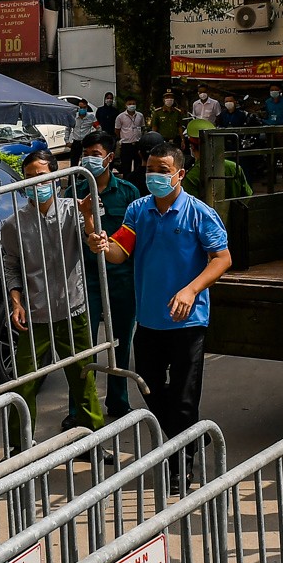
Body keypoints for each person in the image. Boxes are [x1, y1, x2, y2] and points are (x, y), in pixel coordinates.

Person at [87, 138, 232, 440]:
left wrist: (191, 290)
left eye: (162, 170)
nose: (154, 175)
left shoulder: (199, 213)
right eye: (150, 169)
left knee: (184, 396)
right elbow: (119, 252)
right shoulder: (138, 210)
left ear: (179, 174)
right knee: (149, 386)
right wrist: (100, 243)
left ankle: (183, 464)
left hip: (188, 321)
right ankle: (190, 434)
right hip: (150, 319)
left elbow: (222, 259)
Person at [1, 148, 104, 438]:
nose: (36, 183)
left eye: (42, 176)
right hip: (35, 315)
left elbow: (93, 240)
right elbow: (11, 265)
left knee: (84, 378)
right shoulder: (13, 224)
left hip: (73, 309)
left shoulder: (74, 209)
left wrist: (90, 221)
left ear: (57, 177)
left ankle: (94, 437)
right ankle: (18, 447)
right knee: (23, 384)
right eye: (29, 178)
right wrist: (16, 301)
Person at [78, 130, 143, 419]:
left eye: (95, 154)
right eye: (86, 154)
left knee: (120, 341)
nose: (90, 159)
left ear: (109, 158)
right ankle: (81, 407)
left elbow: (134, 237)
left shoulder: (128, 193)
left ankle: (118, 401)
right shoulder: (73, 192)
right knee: (84, 346)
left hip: (121, 277)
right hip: (86, 280)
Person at [182, 145, 252, 199]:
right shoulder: (234, 167)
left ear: (192, 147)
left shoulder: (191, 176)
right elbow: (247, 196)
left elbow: (191, 207)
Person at [113, 97, 146, 177]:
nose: (132, 105)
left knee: (138, 165)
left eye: (133, 104)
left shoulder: (140, 116)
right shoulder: (120, 117)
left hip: (137, 143)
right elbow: (117, 130)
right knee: (126, 166)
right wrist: (123, 138)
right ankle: (126, 181)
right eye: (129, 104)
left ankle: (137, 182)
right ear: (126, 105)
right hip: (126, 144)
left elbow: (142, 127)